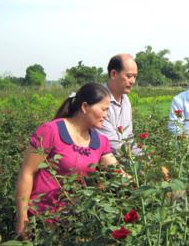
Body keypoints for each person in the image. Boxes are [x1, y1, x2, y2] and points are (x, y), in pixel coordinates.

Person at [15, 83, 127, 238]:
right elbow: (27, 173)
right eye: (103, 109)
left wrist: (146, 182)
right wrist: (22, 217)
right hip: (41, 220)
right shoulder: (51, 131)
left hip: (74, 222)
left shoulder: (100, 141)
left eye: (108, 110)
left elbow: (118, 174)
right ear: (85, 107)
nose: (106, 115)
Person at [97, 54, 138, 153]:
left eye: (135, 76)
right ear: (113, 74)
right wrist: (140, 163)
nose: (132, 81)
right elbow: (112, 145)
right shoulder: (98, 100)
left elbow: (129, 137)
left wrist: (147, 160)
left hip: (123, 158)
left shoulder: (126, 100)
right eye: (129, 76)